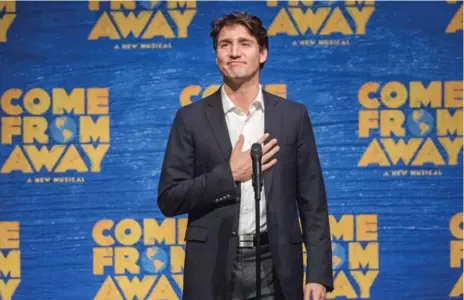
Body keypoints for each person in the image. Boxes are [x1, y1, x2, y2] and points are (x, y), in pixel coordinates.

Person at [158, 11, 333, 300]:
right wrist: (228, 176)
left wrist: (318, 273)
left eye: (244, 43)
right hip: (213, 263)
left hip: (276, 263)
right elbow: (169, 198)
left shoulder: (293, 116)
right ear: (216, 55)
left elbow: (313, 202)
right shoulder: (190, 118)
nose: (234, 52)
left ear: (262, 53)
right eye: (225, 45)